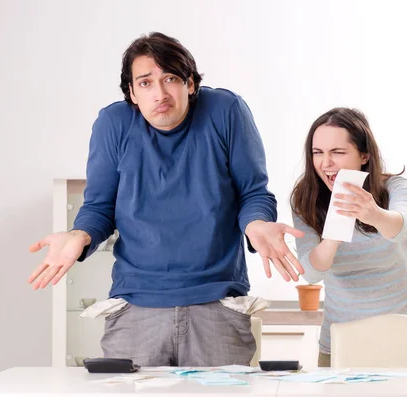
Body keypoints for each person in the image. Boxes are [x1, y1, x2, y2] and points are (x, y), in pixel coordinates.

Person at [27, 32, 304, 367]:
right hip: (136, 309)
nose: (159, 93)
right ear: (132, 92)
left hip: (215, 304)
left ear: (190, 84)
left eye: (170, 78)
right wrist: (78, 235)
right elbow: (100, 207)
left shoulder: (226, 111)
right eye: (145, 83)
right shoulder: (113, 124)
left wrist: (256, 224)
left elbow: (253, 192)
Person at [290, 107, 407, 367]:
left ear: (364, 155)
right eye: (317, 153)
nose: (325, 162)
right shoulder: (305, 199)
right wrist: (333, 233)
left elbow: (403, 227)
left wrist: (373, 214)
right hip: (341, 342)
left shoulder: (396, 188)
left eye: (337, 152)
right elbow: (311, 272)